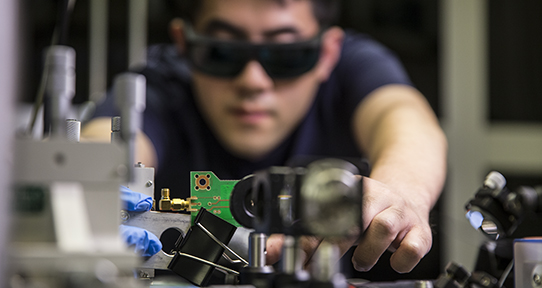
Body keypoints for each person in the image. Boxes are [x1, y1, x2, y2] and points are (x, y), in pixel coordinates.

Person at [83, 0, 447, 274]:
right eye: (221, 52)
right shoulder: (158, 85)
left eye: (286, 56)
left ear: (327, 52)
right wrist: (91, 193)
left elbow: (406, 121)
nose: (252, 81)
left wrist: (402, 194)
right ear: (184, 44)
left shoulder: (355, 67)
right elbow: (101, 146)